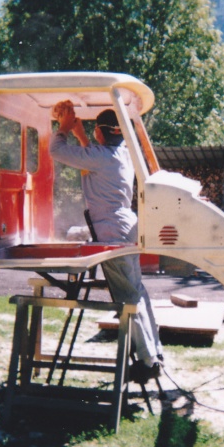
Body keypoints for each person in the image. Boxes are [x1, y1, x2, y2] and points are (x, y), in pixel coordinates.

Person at [49, 100, 163, 383]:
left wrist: (63, 128)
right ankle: (154, 352)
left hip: (113, 229)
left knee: (127, 296)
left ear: (100, 132)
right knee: (136, 290)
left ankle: (147, 361)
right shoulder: (120, 152)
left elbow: (56, 151)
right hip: (126, 225)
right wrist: (81, 134)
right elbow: (94, 158)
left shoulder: (102, 156)